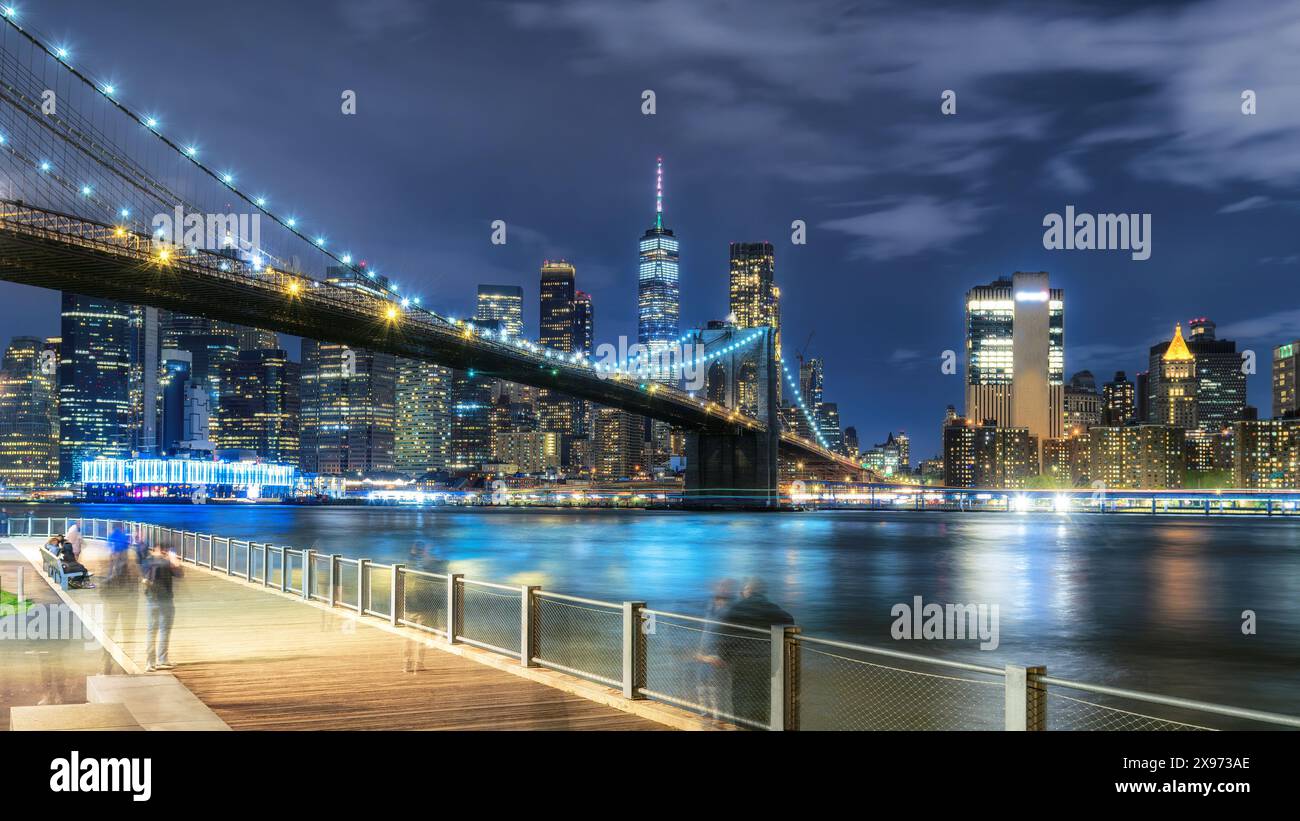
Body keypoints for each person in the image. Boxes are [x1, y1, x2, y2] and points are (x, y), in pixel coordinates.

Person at [715, 577, 793, 729]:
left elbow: (724, 633)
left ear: (747, 591)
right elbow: (789, 620)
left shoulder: (736, 608)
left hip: (740, 661)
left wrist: (724, 656)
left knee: (739, 696)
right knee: (761, 697)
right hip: (764, 660)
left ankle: (741, 726)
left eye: (743, 590)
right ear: (762, 591)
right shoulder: (772, 608)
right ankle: (759, 726)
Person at [694, 578, 736, 722]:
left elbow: (731, 635)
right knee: (701, 685)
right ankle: (705, 716)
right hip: (704, 653)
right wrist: (700, 651)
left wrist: (723, 656)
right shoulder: (710, 606)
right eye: (720, 586)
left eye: (725, 587)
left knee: (715, 689)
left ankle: (718, 719)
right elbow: (705, 630)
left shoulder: (731, 610)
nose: (721, 589)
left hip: (718, 655)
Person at [142, 543, 183, 672]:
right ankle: (162, 660)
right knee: (164, 630)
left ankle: (150, 663)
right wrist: (173, 559)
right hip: (165, 601)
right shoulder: (166, 563)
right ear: (164, 551)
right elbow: (179, 573)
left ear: (155, 549)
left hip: (151, 600)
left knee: (151, 631)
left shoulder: (147, 561)